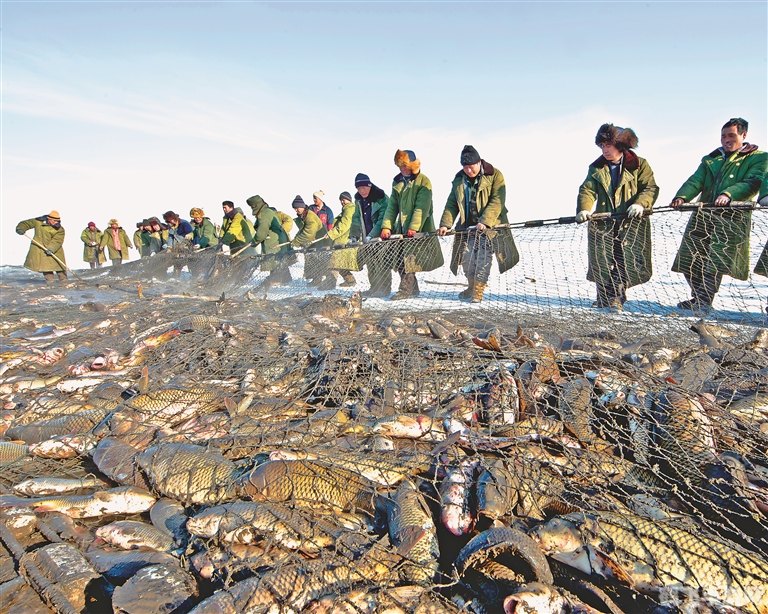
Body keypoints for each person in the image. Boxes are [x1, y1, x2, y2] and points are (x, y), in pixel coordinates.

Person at [671, 118, 767, 312]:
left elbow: (753, 182)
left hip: (731, 218)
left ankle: (704, 302)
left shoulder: (758, 158)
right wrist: (681, 197)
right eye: (723, 136)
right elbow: (696, 181)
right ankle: (698, 297)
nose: (726, 140)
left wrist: (728, 194)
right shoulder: (711, 159)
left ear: (743, 135)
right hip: (703, 214)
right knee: (689, 257)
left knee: (715, 261)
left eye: (731, 135)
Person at [575, 125, 659, 310]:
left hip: (631, 224)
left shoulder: (639, 165)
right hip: (603, 224)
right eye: (602, 146)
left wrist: (640, 204)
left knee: (624, 260)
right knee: (601, 260)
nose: (605, 150)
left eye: (609, 145)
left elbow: (650, 188)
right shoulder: (596, 167)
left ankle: (616, 298)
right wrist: (584, 209)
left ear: (621, 145)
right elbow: (587, 190)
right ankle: (602, 297)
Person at [438, 145, 519, 303]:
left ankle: (478, 291)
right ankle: (471, 286)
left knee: (483, 259)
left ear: (479, 162)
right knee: (466, 259)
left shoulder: (494, 175)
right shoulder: (459, 180)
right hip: (467, 229)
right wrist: (445, 224)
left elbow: (498, 200)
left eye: (471, 166)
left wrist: (485, 221)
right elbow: (452, 204)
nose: (468, 170)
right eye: (465, 167)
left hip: (490, 228)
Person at [380, 149, 443, 300]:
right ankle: (413, 290)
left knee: (409, 260)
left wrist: (414, 226)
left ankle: (405, 290)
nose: (402, 169)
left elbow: (422, 206)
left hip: (419, 229)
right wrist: (386, 226)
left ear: (413, 165)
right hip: (401, 229)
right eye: (400, 167)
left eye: (405, 166)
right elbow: (392, 206)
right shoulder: (397, 182)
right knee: (400, 258)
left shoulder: (423, 181)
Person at [352, 173, 391, 297]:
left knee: (382, 263)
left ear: (370, 185)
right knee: (371, 264)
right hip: (366, 238)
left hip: (381, 237)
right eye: (359, 188)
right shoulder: (358, 200)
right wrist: (353, 235)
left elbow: (383, 218)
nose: (362, 191)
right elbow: (356, 218)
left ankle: (384, 289)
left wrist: (372, 234)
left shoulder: (381, 197)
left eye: (364, 187)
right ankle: (374, 288)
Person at [247, 195, 292, 287]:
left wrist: (254, 241)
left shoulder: (265, 214)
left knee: (275, 260)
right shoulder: (265, 212)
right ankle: (285, 279)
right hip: (275, 239)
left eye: (252, 206)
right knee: (277, 260)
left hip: (275, 241)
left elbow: (262, 231)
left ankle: (276, 279)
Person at [290, 195, 332, 288]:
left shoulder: (309, 216)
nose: (296, 210)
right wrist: (295, 238)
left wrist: (297, 241)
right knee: (315, 261)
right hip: (315, 243)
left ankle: (329, 282)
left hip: (321, 242)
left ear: (302, 206)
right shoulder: (305, 215)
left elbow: (309, 232)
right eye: (294, 209)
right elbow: (302, 229)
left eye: (297, 208)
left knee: (322, 262)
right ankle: (316, 280)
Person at [15, 211, 68, 284]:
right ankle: (50, 283)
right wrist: (20, 228)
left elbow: (57, 240)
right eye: (54, 221)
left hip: (55, 251)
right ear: (49, 219)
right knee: (46, 268)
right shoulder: (38, 222)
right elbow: (26, 223)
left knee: (60, 267)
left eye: (57, 221)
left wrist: (51, 248)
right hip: (40, 250)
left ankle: (64, 282)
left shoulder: (60, 229)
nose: (56, 222)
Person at [323, 191, 359, 288]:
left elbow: (344, 225)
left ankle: (330, 284)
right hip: (342, 239)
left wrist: (331, 234)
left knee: (334, 262)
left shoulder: (349, 209)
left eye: (344, 199)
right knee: (340, 262)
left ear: (349, 199)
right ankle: (350, 281)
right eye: (341, 200)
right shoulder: (346, 209)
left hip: (344, 240)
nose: (342, 202)